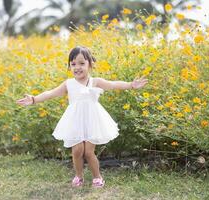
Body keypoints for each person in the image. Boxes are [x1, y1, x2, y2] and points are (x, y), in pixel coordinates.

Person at [16, 46, 148, 188]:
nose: (77, 67)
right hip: (75, 121)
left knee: (89, 152)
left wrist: (131, 85)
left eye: (81, 63)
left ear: (90, 64)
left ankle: (97, 178)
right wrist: (34, 99)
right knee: (77, 150)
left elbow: (113, 84)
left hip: (93, 120)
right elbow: (50, 93)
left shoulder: (95, 81)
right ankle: (79, 176)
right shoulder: (68, 84)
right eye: (73, 64)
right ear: (69, 66)